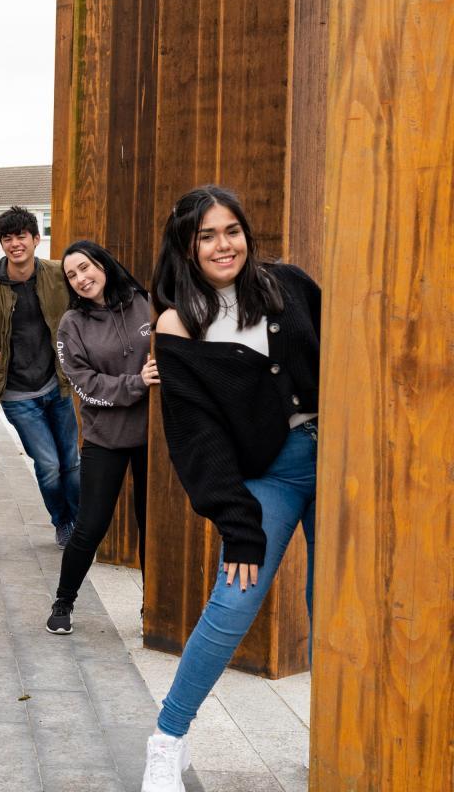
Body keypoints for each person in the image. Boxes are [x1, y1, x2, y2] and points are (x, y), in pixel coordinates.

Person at [140, 186, 320, 792]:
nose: (224, 245)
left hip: (339, 459)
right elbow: (196, 438)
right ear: (187, 247)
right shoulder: (179, 323)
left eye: (232, 230)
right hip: (269, 475)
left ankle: (331, 736)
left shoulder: (288, 285)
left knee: (334, 607)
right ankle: (167, 737)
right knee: (235, 599)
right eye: (208, 235)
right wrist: (238, 524)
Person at [0, 206, 81, 545]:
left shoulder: (58, 275)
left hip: (57, 384)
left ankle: (81, 525)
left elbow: (86, 308)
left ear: (36, 239)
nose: (14, 244)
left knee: (72, 463)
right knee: (49, 465)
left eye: (21, 236)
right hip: (17, 394)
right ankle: (63, 522)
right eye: (7, 238)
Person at [46, 241, 157, 635]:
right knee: (91, 526)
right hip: (105, 438)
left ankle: (153, 607)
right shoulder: (71, 325)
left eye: (85, 268)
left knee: (152, 526)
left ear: (104, 265)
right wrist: (137, 383)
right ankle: (63, 601)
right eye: (72, 275)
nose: (80, 279)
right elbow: (84, 385)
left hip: (152, 438)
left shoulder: (146, 302)